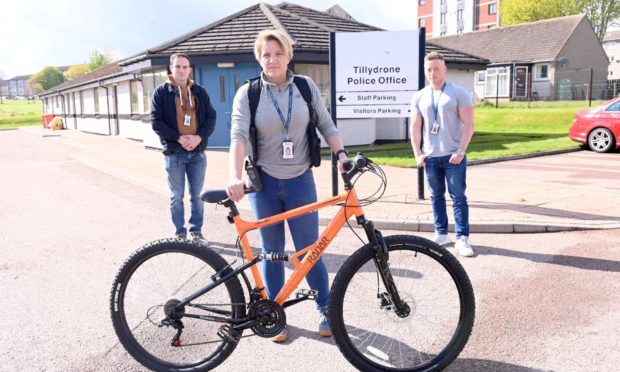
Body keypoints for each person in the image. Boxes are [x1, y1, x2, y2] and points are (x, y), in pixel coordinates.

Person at [226, 29, 348, 342]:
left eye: (278, 53)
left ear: (288, 55)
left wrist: (341, 154)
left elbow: (326, 124)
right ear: (259, 58)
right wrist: (234, 176)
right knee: (271, 252)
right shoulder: (248, 93)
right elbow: (238, 137)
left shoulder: (305, 88)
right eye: (266, 54)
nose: (273, 59)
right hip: (264, 183)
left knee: (310, 252)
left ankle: (325, 307)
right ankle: (274, 314)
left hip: (300, 180)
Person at [410, 52, 475, 257]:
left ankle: (462, 237)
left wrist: (461, 151)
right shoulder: (419, 96)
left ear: (444, 69)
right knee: (436, 196)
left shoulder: (458, 93)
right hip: (431, 157)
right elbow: (415, 127)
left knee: (458, 197)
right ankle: (441, 233)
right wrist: (418, 154)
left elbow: (469, 124)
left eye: (436, 68)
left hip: (453, 156)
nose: (432, 73)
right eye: (429, 69)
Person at [151, 53, 217, 243]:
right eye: (178, 66)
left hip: (197, 152)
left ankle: (196, 231)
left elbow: (212, 117)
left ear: (189, 69)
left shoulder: (199, 91)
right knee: (176, 197)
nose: (181, 70)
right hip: (175, 153)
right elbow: (156, 122)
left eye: (185, 67)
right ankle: (180, 232)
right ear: (171, 68)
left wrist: (198, 137)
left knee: (197, 195)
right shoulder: (161, 92)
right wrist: (179, 139)